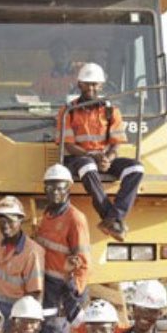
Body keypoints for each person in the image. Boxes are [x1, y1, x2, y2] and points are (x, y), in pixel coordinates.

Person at [55, 62, 143, 241]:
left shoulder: (111, 111)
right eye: (87, 84)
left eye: (94, 84)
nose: (91, 88)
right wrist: (92, 156)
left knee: (136, 168)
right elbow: (68, 145)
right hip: (77, 159)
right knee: (88, 165)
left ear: (101, 85)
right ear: (79, 84)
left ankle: (114, 217)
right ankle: (112, 220)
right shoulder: (67, 111)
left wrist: (108, 159)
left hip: (102, 158)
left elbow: (116, 144)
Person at [35, 164, 90, 333]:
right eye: (50, 187)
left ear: (68, 188)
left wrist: (74, 292)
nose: (54, 192)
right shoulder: (48, 215)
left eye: (59, 187)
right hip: (46, 285)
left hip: (62, 289)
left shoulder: (75, 219)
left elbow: (83, 261)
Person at [0, 195, 45, 323]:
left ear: (20, 220)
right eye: (2, 221)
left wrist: (22, 321)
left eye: (10, 221)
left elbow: (35, 294)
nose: (5, 226)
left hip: (16, 313)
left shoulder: (32, 252)